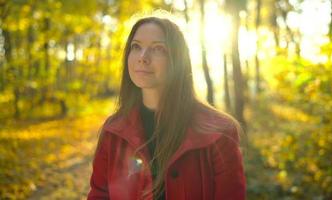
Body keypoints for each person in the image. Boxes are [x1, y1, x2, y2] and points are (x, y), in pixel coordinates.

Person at [87, 14, 246, 200]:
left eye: (158, 49)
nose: (143, 58)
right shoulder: (113, 131)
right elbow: (99, 195)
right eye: (136, 47)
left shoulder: (220, 131)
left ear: (177, 60)